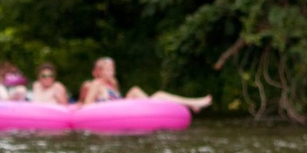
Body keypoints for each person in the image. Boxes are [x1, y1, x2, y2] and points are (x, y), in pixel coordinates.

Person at [80, 57, 212, 111]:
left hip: (122, 108)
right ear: (100, 72)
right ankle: (192, 103)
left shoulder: (113, 83)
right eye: (108, 70)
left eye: (112, 69)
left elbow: (119, 98)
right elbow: (87, 105)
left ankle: (190, 103)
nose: (112, 72)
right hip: (110, 111)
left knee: (135, 90)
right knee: (159, 95)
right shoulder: (96, 84)